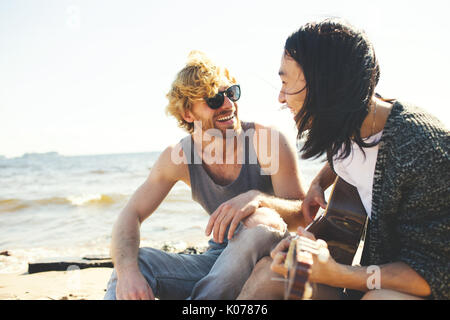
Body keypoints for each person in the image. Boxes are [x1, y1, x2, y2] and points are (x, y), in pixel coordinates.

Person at [238, 18, 449, 300]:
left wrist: (336, 274)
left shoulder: (422, 149)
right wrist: (318, 183)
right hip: (373, 277)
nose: (280, 97)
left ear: (324, 85)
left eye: (286, 83)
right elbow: (348, 158)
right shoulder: (345, 127)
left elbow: (433, 273)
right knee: (269, 273)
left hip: (417, 288)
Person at [104, 51, 307, 300]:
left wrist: (258, 199)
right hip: (217, 262)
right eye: (214, 99)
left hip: (269, 258)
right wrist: (127, 273)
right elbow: (130, 214)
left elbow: (303, 214)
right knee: (137, 264)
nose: (229, 105)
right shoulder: (178, 157)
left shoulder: (267, 142)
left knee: (263, 221)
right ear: (188, 114)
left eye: (231, 93)